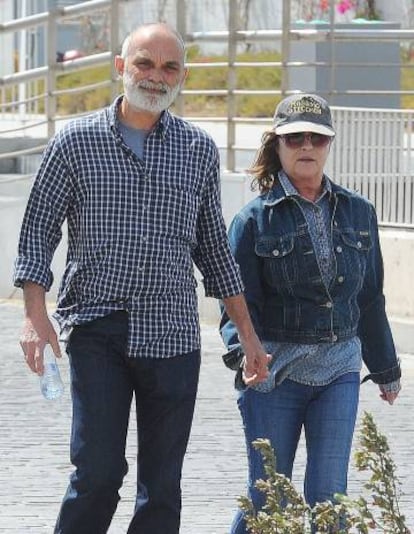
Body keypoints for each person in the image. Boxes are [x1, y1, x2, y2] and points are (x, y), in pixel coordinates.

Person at [14, 23, 269, 534]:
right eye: (145, 64)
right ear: (120, 68)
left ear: (183, 77)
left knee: (163, 483)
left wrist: (248, 333)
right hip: (96, 329)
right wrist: (33, 316)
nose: (156, 76)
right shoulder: (75, 143)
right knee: (98, 472)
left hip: (172, 334)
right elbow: (38, 230)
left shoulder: (198, 150)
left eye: (169, 67)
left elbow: (214, 251)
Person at [220, 93, 402, 533]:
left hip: (339, 370)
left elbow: (370, 297)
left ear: (329, 144)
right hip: (274, 374)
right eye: (295, 137)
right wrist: (242, 354)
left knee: (329, 496)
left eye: (316, 138)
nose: (306, 146)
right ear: (277, 145)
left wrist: (385, 368)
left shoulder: (360, 211)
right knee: (268, 495)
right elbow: (235, 303)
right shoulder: (253, 221)